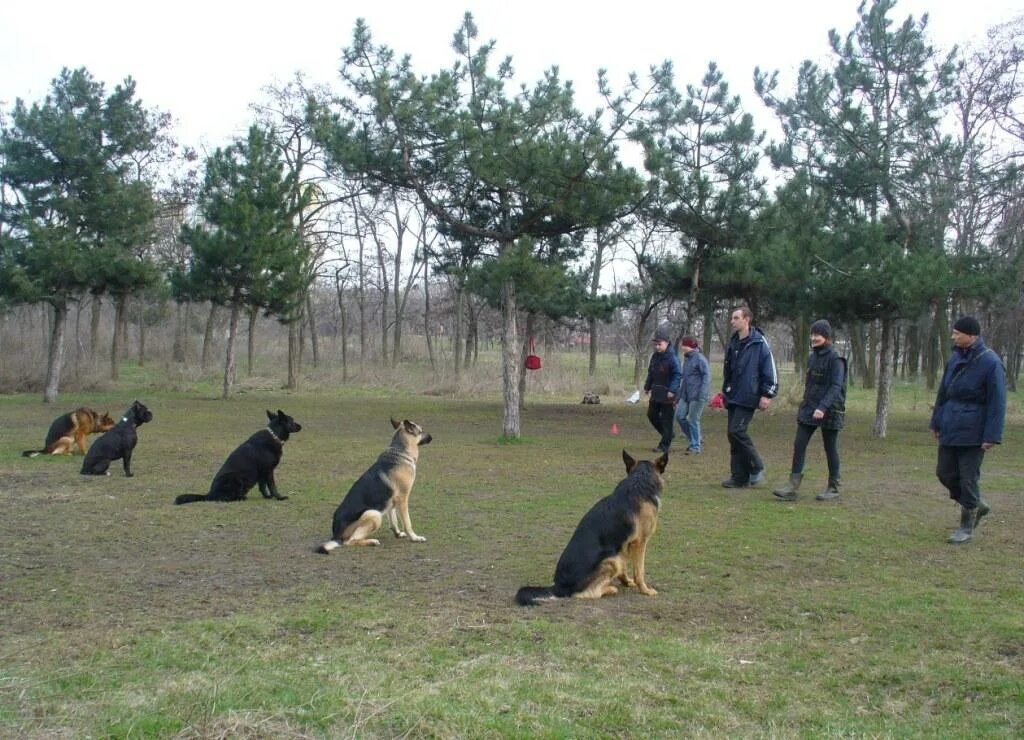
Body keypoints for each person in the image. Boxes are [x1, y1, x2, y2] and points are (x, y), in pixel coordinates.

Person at [930, 316, 1006, 544]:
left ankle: (966, 526)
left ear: (971, 336)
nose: (953, 336)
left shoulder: (991, 362)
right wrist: (936, 421)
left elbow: (997, 401)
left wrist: (992, 435)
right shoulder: (954, 359)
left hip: (974, 430)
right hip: (951, 424)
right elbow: (943, 393)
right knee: (944, 472)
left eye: (957, 333)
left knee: (968, 478)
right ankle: (977, 505)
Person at [773, 319, 846, 502]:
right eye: (812, 334)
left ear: (827, 337)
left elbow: (836, 386)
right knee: (799, 444)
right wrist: (805, 405)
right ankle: (793, 486)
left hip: (830, 409)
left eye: (818, 335)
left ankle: (833, 487)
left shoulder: (836, 359)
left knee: (830, 448)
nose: (814, 338)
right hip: (809, 408)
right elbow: (811, 384)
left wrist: (823, 407)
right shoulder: (812, 357)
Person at [721, 306, 778, 488]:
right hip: (733, 395)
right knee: (733, 436)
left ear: (747, 320)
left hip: (749, 395)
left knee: (736, 431)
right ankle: (739, 476)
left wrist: (767, 394)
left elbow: (770, 370)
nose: (732, 321)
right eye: (732, 318)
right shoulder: (733, 343)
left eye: (736, 318)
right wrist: (725, 391)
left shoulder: (759, 343)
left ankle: (756, 466)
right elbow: (728, 371)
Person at [644, 324, 682, 454]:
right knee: (651, 415)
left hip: (668, 395)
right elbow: (651, 373)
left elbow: (677, 374)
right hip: (656, 393)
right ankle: (668, 434)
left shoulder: (673, 358)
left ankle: (664, 445)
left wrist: (672, 390)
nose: (657, 347)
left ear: (667, 343)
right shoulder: (655, 357)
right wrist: (647, 386)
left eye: (659, 344)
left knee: (667, 421)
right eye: (655, 344)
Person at [675, 336, 711, 454]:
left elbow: (706, 377)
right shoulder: (686, 359)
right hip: (685, 395)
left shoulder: (700, 359)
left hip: (697, 395)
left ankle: (695, 447)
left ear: (689, 346)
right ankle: (695, 439)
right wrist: (679, 395)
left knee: (693, 419)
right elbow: (684, 379)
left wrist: (703, 393)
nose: (682, 347)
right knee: (679, 416)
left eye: (683, 344)